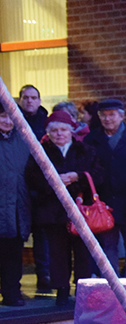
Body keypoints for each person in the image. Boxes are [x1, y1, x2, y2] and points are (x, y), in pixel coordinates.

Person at [25, 111, 103, 306]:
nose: (59, 134)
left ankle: (83, 293)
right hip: (52, 211)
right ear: (48, 133)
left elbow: (98, 176)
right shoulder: (40, 152)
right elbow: (32, 178)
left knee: (83, 255)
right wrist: (54, 183)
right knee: (57, 254)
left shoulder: (86, 150)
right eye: (55, 130)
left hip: (81, 211)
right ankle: (61, 291)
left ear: (71, 131)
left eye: (63, 130)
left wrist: (77, 177)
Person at [83, 98, 126, 276]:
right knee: (107, 247)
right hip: (103, 202)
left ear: (121, 116)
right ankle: (111, 284)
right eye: (103, 115)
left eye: (112, 115)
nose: (107, 119)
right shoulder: (92, 139)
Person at [18, 84, 51, 291]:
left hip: (40, 187)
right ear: (19, 100)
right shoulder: (10, 121)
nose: (29, 100)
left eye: (33, 97)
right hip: (18, 185)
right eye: (25, 97)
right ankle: (12, 280)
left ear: (39, 100)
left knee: (42, 236)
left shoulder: (47, 124)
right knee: (16, 235)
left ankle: (44, 276)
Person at [0, 102, 31, 307]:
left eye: (11, 117)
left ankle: (12, 293)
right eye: (3, 116)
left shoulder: (25, 140)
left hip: (18, 206)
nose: (7, 121)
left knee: (13, 254)